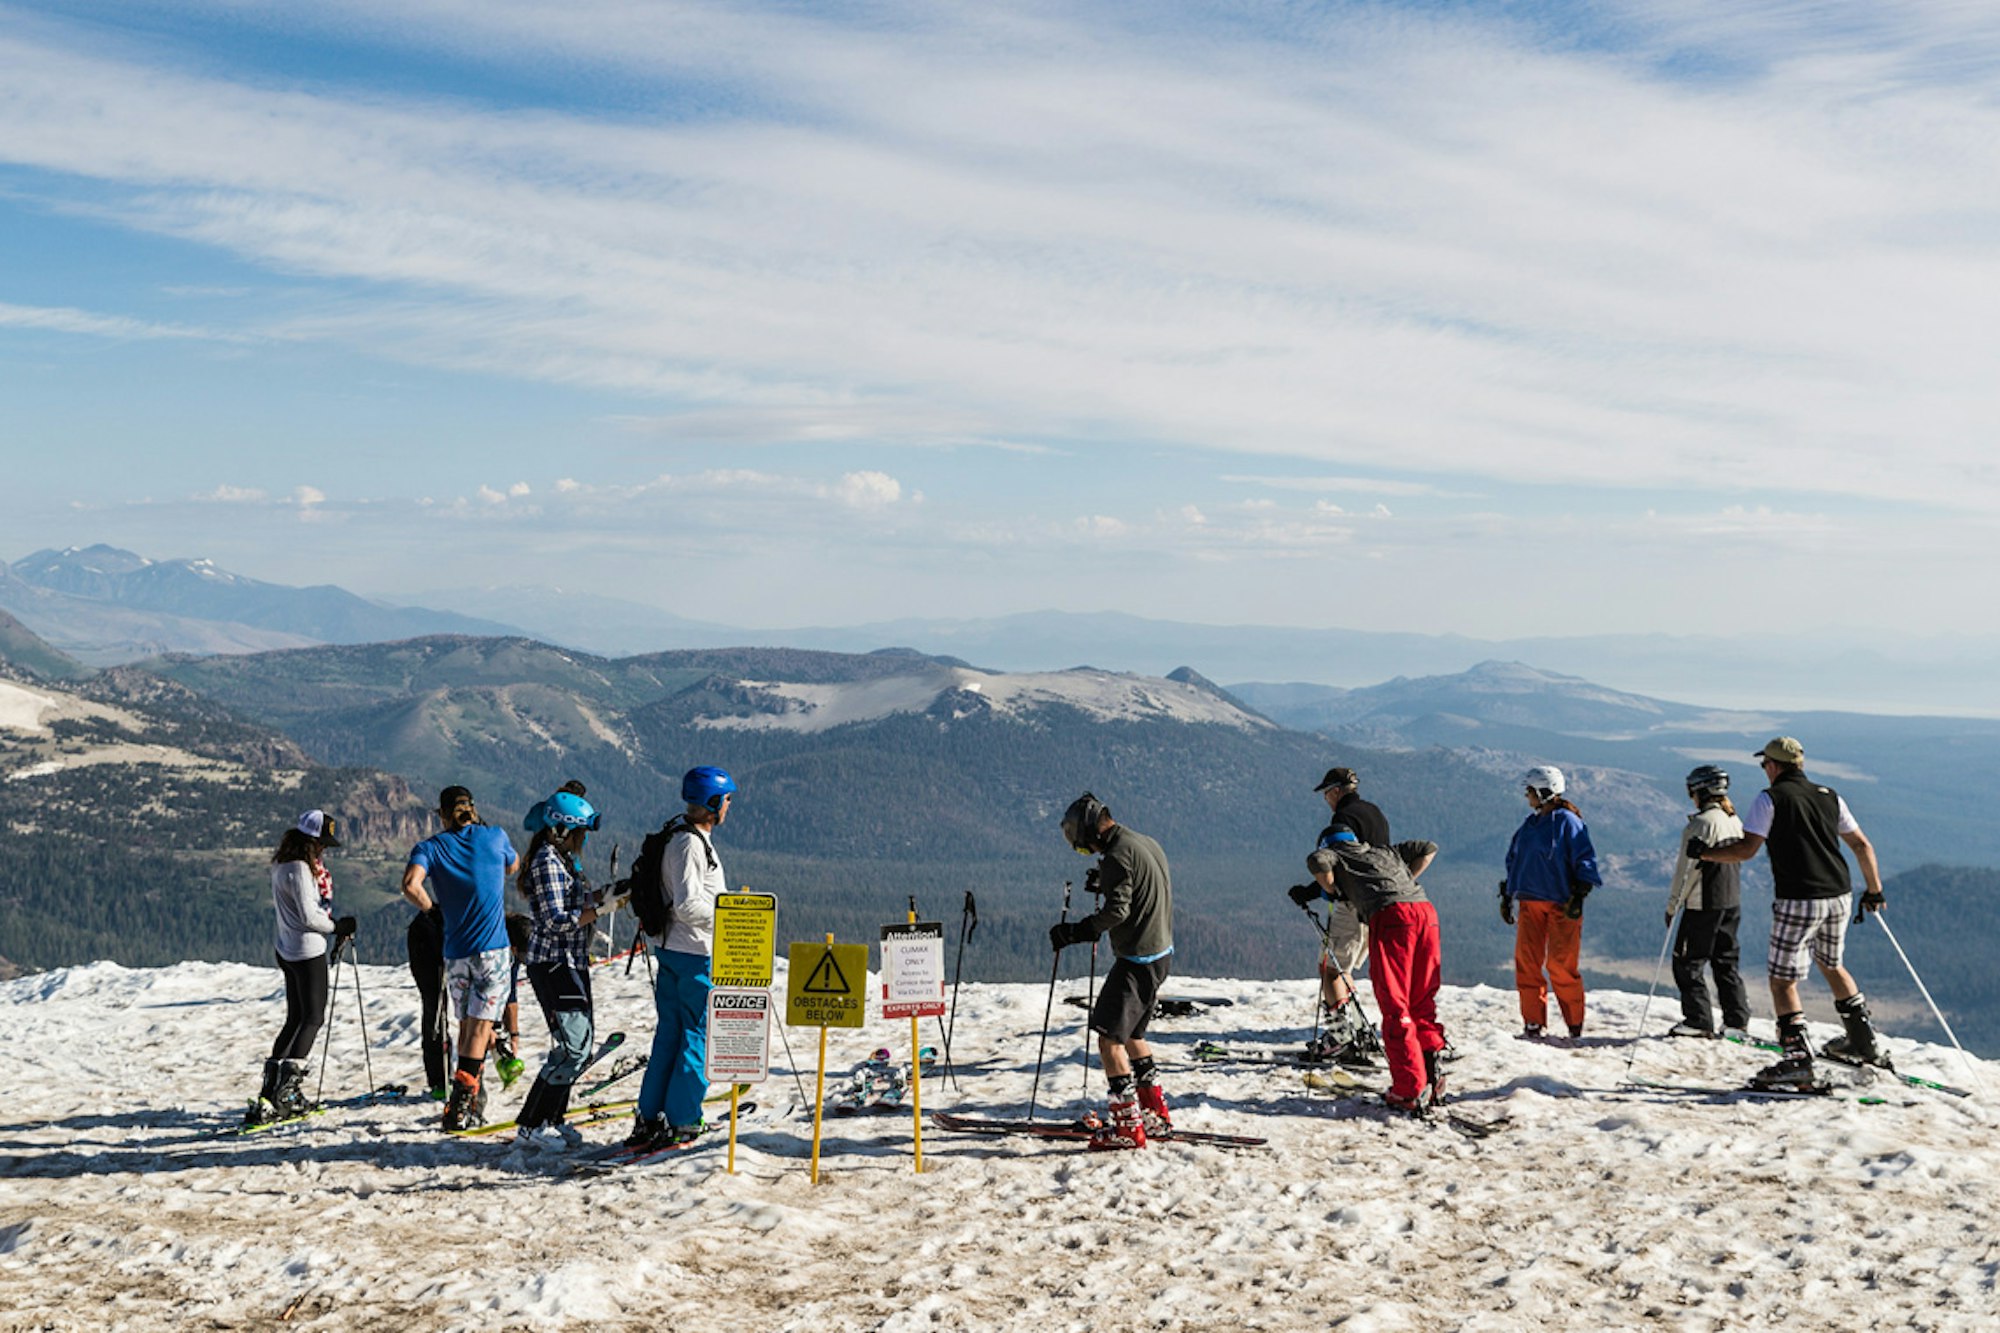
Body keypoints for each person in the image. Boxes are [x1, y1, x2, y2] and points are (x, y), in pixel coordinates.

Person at [1694, 737, 1891, 1089]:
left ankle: (1797, 1060)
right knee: (1831, 964)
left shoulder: (1769, 799)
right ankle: (1863, 1043)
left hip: (1799, 897)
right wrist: (1874, 890)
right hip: (1839, 894)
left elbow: (1746, 849)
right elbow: (1861, 844)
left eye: (1764, 765)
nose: (1764, 770)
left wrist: (1705, 853)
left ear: (1773, 766)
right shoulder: (1830, 796)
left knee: (1782, 979)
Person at [1050, 792, 1175, 1151]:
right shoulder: (1144, 842)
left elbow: (1118, 911)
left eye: (1083, 845)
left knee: (1108, 1040)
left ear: (1091, 832)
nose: (1086, 851)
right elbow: (1140, 888)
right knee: (1133, 1034)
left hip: (1137, 960)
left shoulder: (1118, 856)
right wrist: (1107, 883)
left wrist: (1078, 931)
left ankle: (1127, 1129)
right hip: (1160, 954)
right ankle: (1154, 1114)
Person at [1300, 822, 1445, 1114]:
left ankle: (1409, 1089)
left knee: (1395, 1004)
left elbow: (1317, 862)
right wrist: (1402, 882)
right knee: (1421, 1001)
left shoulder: (1335, 854)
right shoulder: (1384, 851)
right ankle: (1432, 1078)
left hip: (1392, 918)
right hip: (1425, 912)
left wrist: (1333, 889)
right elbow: (1427, 848)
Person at [401, 785, 519, 1131]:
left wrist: (432, 910)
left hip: (455, 952)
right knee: (481, 1029)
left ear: (441, 814)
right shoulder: (495, 837)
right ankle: (461, 1107)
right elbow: (513, 866)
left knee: (468, 1027)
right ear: (473, 809)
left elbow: (410, 885)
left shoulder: (430, 848)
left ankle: (468, 1101)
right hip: (492, 950)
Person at [629, 765, 735, 1150]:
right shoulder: (691, 844)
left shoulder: (678, 837)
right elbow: (688, 905)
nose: (729, 805)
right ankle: (684, 1118)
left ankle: (650, 1114)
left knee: (670, 1034)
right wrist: (732, 918)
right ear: (713, 802)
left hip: (673, 949)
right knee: (697, 1035)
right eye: (726, 799)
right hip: (695, 953)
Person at [513, 789, 604, 1149]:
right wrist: (600, 911)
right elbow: (555, 920)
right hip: (554, 964)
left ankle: (552, 1118)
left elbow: (574, 901)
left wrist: (606, 896)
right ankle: (533, 1124)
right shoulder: (548, 862)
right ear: (561, 830)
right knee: (572, 1049)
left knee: (578, 1045)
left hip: (570, 962)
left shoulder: (563, 859)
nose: (583, 839)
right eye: (580, 832)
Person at [250, 811, 354, 1125]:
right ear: (311, 842)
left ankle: (270, 1090)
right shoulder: (299, 869)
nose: (323, 850)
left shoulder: (281, 864)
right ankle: (287, 1093)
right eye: (321, 844)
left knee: (295, 1018)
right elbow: (309, 916)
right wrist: (336, 927)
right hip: (307, 951)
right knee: (312, 1018)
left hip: (286, 947)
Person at [1500, 765, 1601, 1041]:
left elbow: (1585, 857)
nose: (1527, 795)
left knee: (1560, 965)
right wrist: (1508, 893)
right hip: (1530, 902)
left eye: (1530, 791)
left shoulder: (1568, 822)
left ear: (1544, 791)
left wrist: (1580, 893)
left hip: (1562, 904)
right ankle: (1533, 1022)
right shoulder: (1530, 824)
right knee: (1527, 963)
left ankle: (1574, 1024)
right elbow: (1515, 859)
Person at [1307, 767, 1391, 1062]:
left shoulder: (1343, 819)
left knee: (1330, 968)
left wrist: (1319, 889)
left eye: (1326, 793)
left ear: (1335, 791)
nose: (1326, 800)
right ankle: (1355, 1028)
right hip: (1377, 903)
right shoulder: (1375, 813)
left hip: (1351, 903)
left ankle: (1340, 1036)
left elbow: (1342, 864)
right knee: (1344, 969)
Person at [1663, 765, 1752, 1039]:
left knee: (1687, 962)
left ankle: (1698, 1020)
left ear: (1699, 791)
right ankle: (1736, 1021)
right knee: (1726, 962)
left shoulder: (1700, 824)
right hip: (1731, 900)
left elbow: (1686, 871)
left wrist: (1672, 907)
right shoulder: (1733, 819)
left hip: (1703, 903)